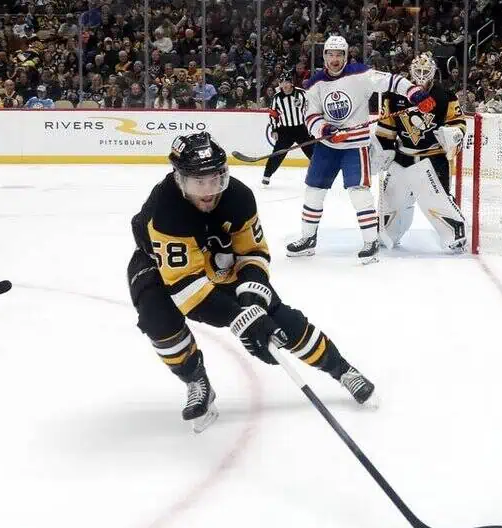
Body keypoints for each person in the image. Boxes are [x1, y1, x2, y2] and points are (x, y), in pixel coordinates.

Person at [128, 132, 376, 432]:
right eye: (198, 182)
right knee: (157, 318)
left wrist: (252, 301)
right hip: (159, 266)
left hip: (218, 258)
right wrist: (239, 319)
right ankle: (196, 379)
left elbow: (253, 253)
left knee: (276, 314)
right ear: (179, 180)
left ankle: (342, 370)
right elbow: (186, 290)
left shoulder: (239, 196)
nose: (208, 191)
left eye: (215, 179)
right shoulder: (166, 211)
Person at [285, 35, 434, 263]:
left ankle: (370, 242)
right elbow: (311, 116)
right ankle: (308, 239)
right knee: (313, 191)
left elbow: (392, 81)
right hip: (328, 147)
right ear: (324, 56)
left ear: (346, 56)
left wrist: (415, 93)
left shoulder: (360, 74)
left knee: (359, 193)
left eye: (339, 55)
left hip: (355, 146)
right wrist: (323, 129)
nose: (335, 60)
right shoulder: (315, 84)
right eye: (330, 54)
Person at [375, 53, 468, 253]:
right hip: (403, 156)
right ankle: (388, 232)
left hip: (433, 157)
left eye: (427, 71)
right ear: (411, 72)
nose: (422, 75)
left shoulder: (445, 96)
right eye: (418, 71)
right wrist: (383, 149)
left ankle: (455, 235)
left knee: (439, 199)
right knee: (392, 198)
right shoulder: (395, 96)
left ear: (434, 73)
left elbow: (458, 123)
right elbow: (386, 127)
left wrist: (453, 134)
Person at [262, 73, 314, 186]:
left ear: (291, 83)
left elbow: (311, 109)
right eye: (281, 82)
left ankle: (319, 174)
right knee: (277, 154)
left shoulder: (302, 94)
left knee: (313, 153)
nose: (284, 85)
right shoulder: (277, 97)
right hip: (285, 130)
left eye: (286, 82)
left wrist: (312, 125)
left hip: (302, 129)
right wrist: (274, 129)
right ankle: (267, 174)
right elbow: (273, 115)